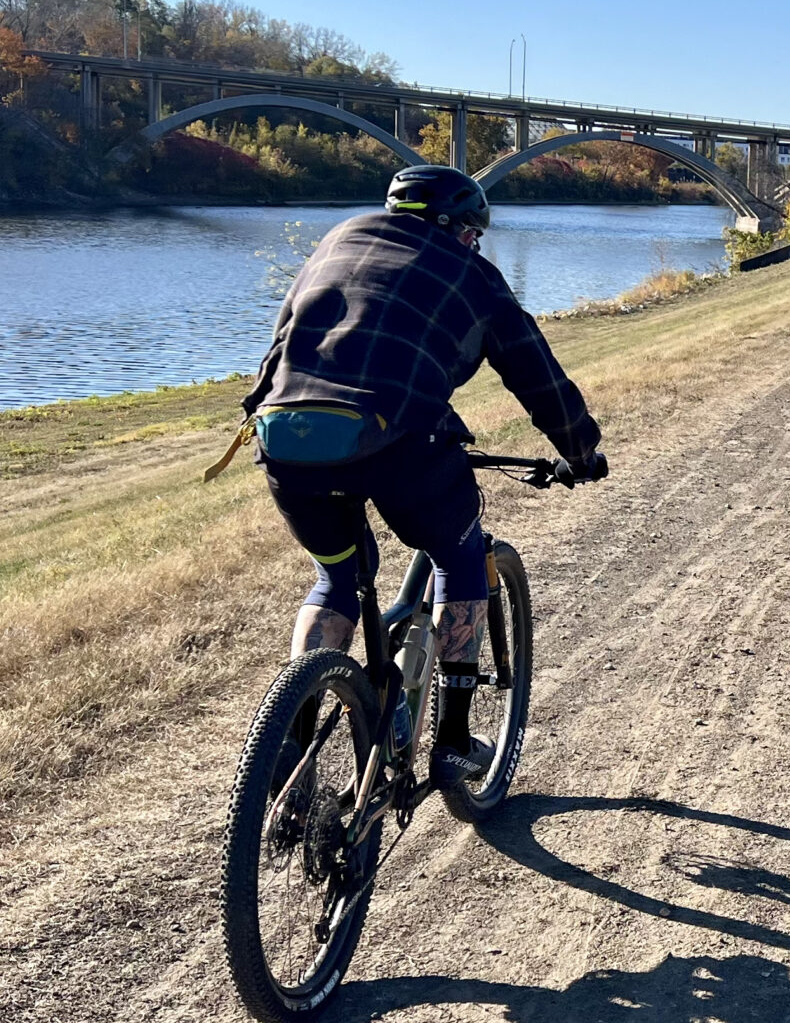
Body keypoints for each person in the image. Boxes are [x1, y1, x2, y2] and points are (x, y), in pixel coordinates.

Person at [241, 163, 606, 803]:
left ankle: (290, 746)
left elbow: (281, 345)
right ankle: (456, 741)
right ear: (459, 227)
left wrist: (263, 413)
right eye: (475, 234)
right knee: (460, 554)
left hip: (286, 436)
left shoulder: (339, 239)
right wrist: (581, 449)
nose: (476, 245)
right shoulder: (471, 272)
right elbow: (534, 372)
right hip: (399, 438)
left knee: (336, 576)